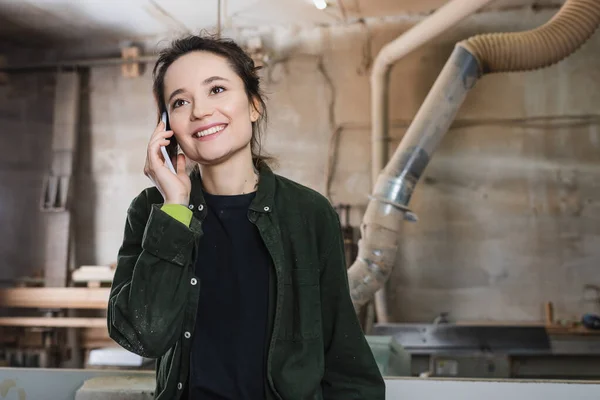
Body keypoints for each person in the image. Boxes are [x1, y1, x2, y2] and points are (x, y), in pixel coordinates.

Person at [107, 34, 385, 400]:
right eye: (179, 101)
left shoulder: (309, 213)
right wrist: (175, 208)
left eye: (217, 90)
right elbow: (143, 335)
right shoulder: (152, 211)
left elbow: (344, 354)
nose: (201, 111)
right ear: (167, 125)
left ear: (254, 105)